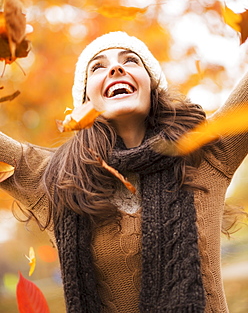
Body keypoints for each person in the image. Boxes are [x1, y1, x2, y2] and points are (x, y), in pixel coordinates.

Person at [0, 31, 247, 313]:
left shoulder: (206, 150)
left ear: (152, 85)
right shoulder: (55, 179)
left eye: (131, 61)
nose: (116, 68)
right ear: (85, 101)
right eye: (98, 67)